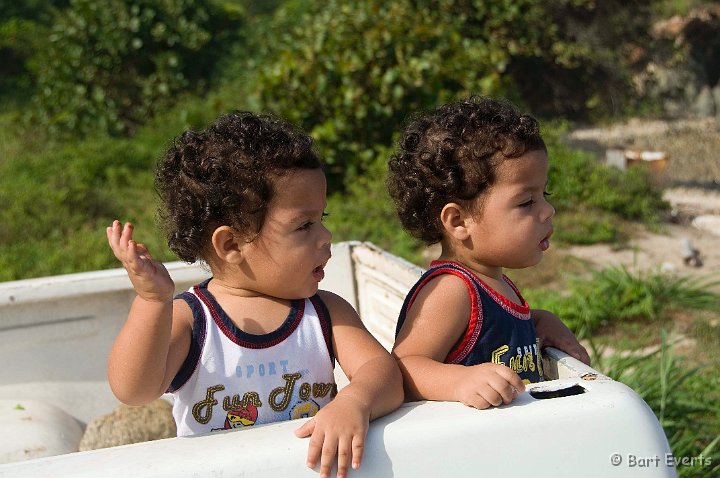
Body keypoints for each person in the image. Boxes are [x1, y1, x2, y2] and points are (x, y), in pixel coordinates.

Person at [107, 111, 403, 478]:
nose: (326, 237)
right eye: (305, 225)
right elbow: (134, 389)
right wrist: (153, 302)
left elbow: (385, 376)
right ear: (231, 243)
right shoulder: (193, 319)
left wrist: (355, 401)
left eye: (322, 219)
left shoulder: (324, 312)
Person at [387, 96, 590, 410]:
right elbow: (403, 366)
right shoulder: (453, 290)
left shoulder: (492, 281)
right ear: (458, 221)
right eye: (526, 202)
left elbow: (498, 329)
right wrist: (459, 381)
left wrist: (542, 321)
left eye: (544, 194)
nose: (548, 210)